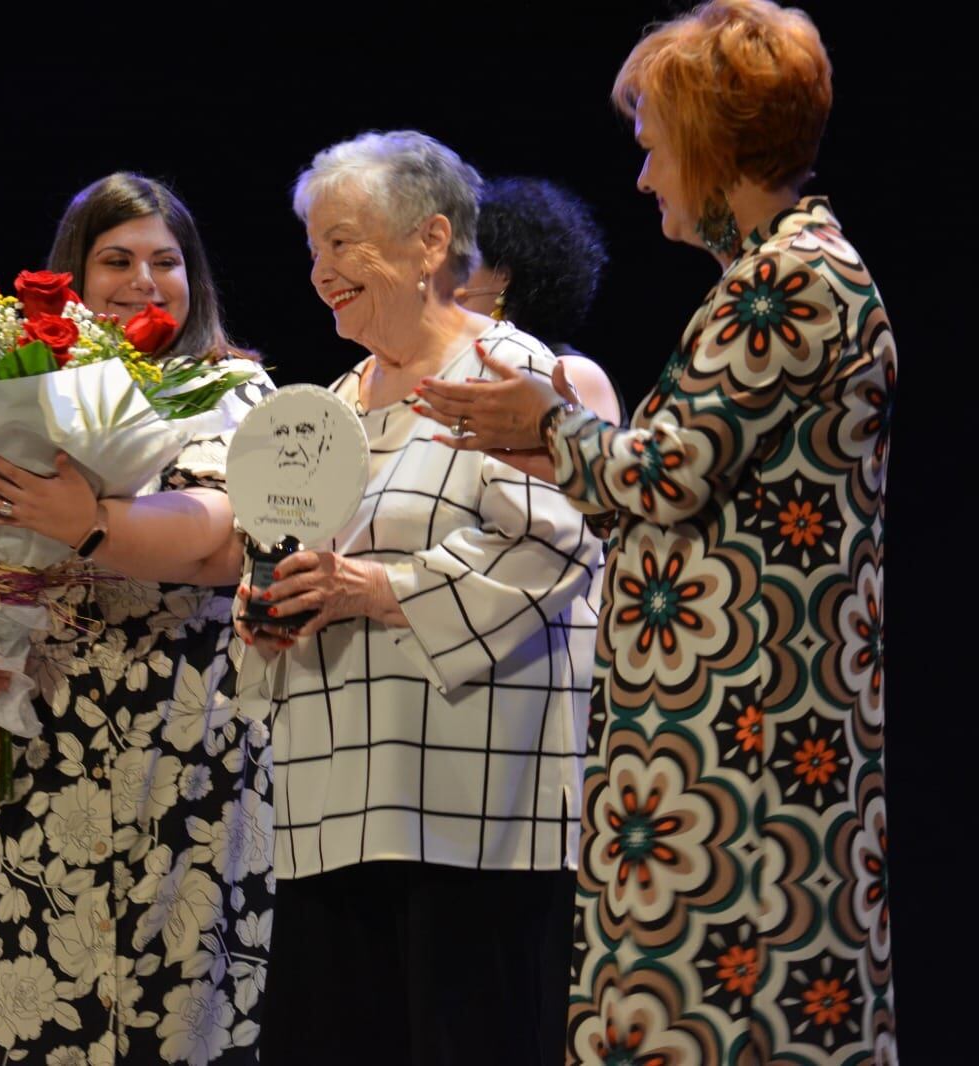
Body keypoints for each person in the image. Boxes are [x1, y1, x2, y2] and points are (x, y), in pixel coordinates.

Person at [413, 2, 899, 1059]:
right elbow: (690, 485)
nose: (644, 179)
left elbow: (670, 469)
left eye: (653, 147)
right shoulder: (772, 274)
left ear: (711, 141)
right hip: (727, 717)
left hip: (743, 736)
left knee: (723, 997)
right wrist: (544, 445)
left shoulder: (788, 283)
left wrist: (547, 423)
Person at [0, 172, 276, 1065]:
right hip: (23, 740)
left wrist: (87, 524)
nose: (145, 281)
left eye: (166, 261)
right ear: (75, 274)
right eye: (118, 260)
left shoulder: (234, 390)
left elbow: (222, 541)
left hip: (179, 752)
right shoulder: (7, 383)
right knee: (14, 1014)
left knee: (168, 1015)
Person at [236, 131, 600, 1064]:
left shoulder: (519, 380)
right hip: (334, 808)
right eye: (314, 246)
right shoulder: (329, 405)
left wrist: (373, 587)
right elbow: (287, 552)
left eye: (344, 242)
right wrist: (269, 607)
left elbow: (551, 548)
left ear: (432, 242)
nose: (321, 270)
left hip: (477, 814)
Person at [459, 176, 624, 425]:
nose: (446, 277)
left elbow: (596, 461)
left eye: (463, 262)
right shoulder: (461, 370)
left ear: (502, 275)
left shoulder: (573, 373)